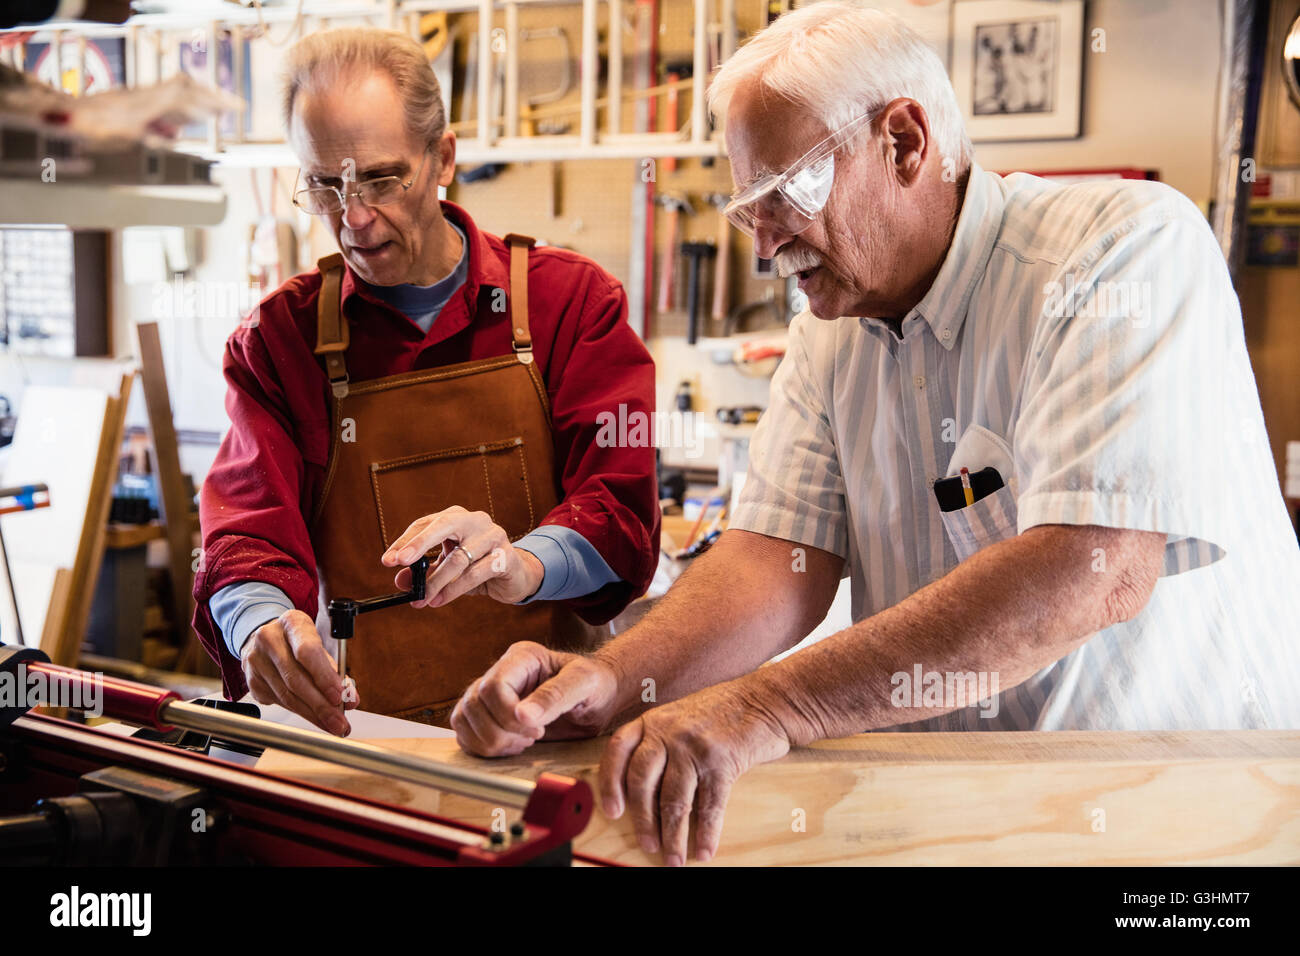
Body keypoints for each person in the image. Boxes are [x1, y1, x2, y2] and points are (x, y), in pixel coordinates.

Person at [450, 1, 1300, 866]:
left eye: (785, 195)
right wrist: (615, 678)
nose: (764, 247)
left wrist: (768, 706)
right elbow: (773, 562)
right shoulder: (830, 334)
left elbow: (1094, 569)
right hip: (968, 825)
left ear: (903, 143)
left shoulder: (1121, 252)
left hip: (1191, 825)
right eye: (748, 211)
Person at [192, 27, 659, 734]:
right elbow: (247, 533)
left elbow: (619, 511)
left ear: (442, 157)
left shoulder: (570, 304)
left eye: (382, 179)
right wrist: (259, 623)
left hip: (549, 732)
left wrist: (520, 564)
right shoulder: (280, 342)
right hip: (368, 743)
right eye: (325, 186)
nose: (353, 218)